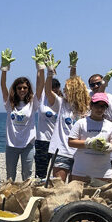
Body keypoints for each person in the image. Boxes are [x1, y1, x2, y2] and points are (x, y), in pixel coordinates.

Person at [45, 49, 92, 182]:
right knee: (58, 188)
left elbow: (74, 82)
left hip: (80, 153)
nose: (64, 91)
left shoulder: (87, 108)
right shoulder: (61, 104)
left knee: (75, 189)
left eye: (67, 89)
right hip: (61, 152)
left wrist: (73, 68)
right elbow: (48, 91)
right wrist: (49, 73)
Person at [0, 47, 43, 182]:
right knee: (10, 175)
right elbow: (2, 85)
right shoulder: (9, 104)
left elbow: (40, 85)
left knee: (27, 174)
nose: (22, 90)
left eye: (25, 87)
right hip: (11, 145)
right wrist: (4, 69)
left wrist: (40, 68)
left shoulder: (33, 103)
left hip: (28, 145)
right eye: (19, 88)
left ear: (28, 89)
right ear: (15, 89)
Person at [67, 93, 112, 182]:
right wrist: (89, 143)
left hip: (103, 173)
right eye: (97, 106)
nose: (99, 109)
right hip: (81, 172)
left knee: (102, 195)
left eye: (103, 107)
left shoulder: (110, 125)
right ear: (91, 106)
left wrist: (108, 146)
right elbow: (71, 142)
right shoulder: (81, 123)